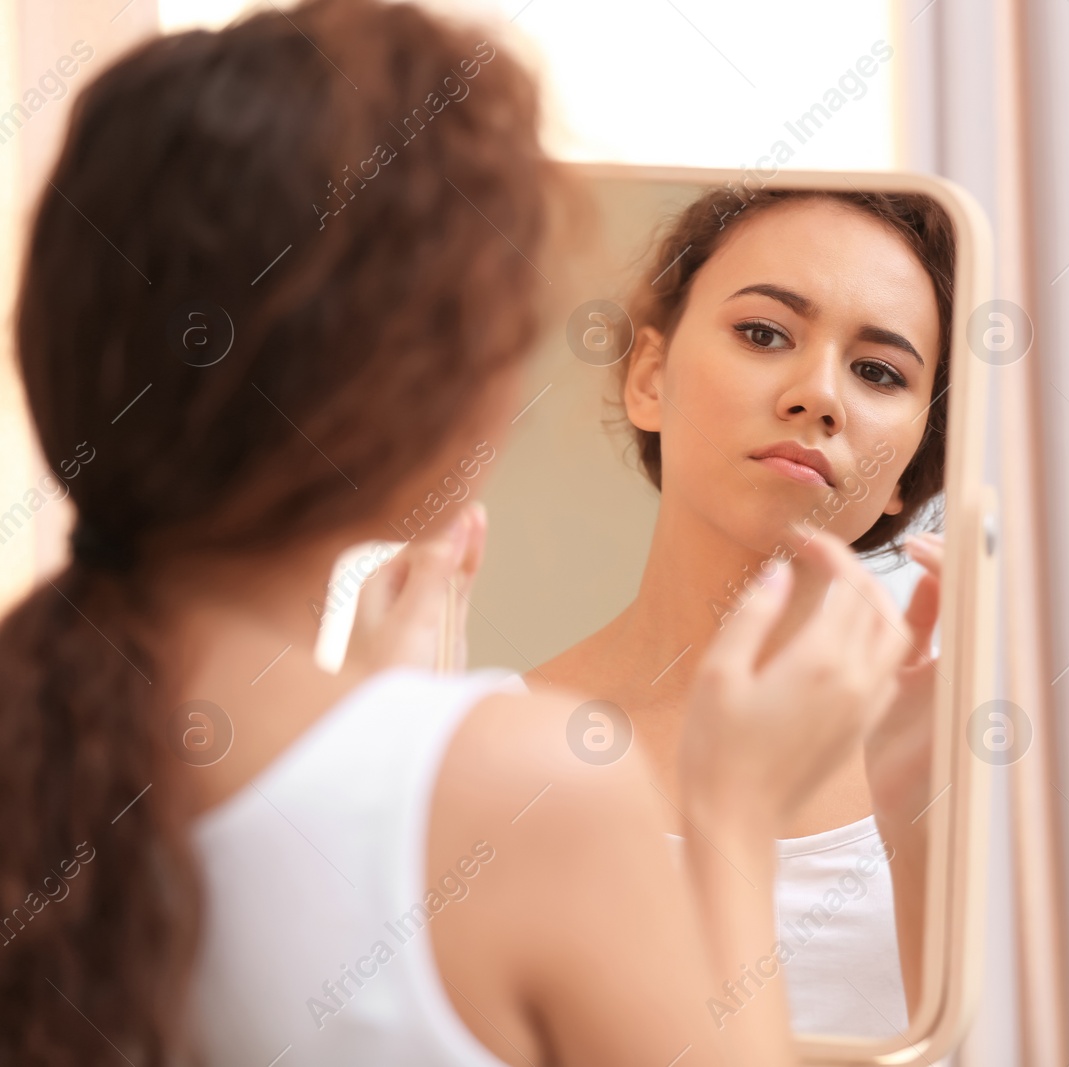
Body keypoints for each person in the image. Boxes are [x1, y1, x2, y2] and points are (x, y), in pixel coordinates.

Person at [0, 2, 909, 1064]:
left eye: (882, 368)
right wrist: (733, 814)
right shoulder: (530, 792)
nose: (816, 395)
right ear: (419, 391)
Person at [531, 186, 954, 1035]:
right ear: (650, 377)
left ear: (910, 472)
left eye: (878, 371)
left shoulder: (965, 763)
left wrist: (923, 835)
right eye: (764, 333)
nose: (818, 394)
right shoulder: (502, 742)